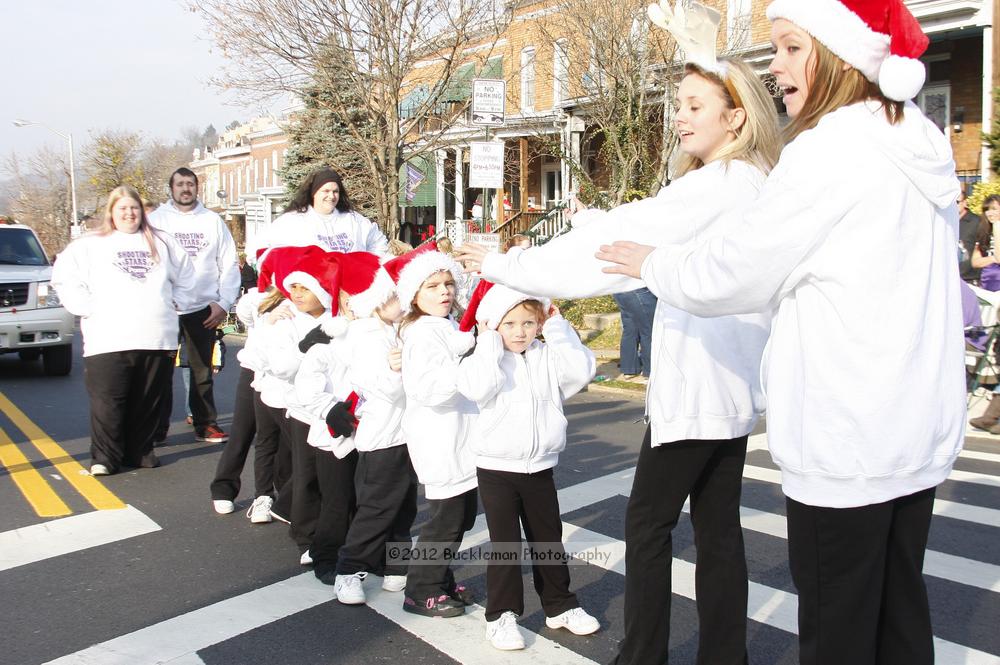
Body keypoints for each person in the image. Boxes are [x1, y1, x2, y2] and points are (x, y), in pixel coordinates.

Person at [591, 3, 963, 663]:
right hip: (913, 427)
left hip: (846, 436)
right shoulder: (920, 142)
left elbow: (734, 269)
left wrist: (653, 262)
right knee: (899, 613)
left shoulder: (830, 149)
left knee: (838, 628)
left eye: (792, 47)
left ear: (843, 54)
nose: (778, 66)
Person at [457, 53, 780, 665]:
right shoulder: (752, 183)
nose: (680, 117)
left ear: (736, 118)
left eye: (694, 106)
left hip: (698, 389)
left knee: (650, 528)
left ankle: (644, 657)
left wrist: (506, 266)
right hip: (731, 390)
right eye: (678, 104)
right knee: (718, 534)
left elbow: (610, 249)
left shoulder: (719, 184)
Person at [456, 282, 599, 650]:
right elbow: (478, 387)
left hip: (541, 465)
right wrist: (487, 340)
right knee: (505, 544)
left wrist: (557, 327)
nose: (519, 332)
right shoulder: (482, 358)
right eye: (509, 324)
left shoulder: (546, 355)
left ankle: (560, 606)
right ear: (494, 325)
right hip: (496, 468)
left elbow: (580, 371)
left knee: (548, 539)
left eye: (528, 322)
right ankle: (501, 615)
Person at [51, 185, 196, 475]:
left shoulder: (163, 242)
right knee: (109, 401)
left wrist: (177, 303)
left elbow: (188, 277)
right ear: (112, 212)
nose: (129, 213)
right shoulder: (90, 244)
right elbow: (64, 279)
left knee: (147, 400)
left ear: (141, 211)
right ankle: (105, 458)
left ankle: (140, 451)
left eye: (134, 208)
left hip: (156, 337)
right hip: (108, 338)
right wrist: (87, 307)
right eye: (123, 208)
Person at [317, 253, 417, 605]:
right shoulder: (363, 335)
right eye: (395, 295)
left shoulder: (396, 329)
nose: (403, 302)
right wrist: (398, 369)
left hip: (408, 433)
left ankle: (396, 567)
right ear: (376, 300)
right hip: (383, 435)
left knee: (404, 507)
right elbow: (384, 389)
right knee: (376, 507)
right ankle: (348, 570)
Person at [396, 242, 478, 618]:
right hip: (440, 437)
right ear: (414, 295)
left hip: (462, 434)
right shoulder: (422, 333)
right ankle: (421, 590)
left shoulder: (444, 325)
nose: (444, 291)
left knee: (462, 517)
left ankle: (440, 579)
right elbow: (429, 389)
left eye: (448, 283)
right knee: (444, 521)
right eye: (433, 286)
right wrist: (469, 370)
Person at [150, 167, 240, 444]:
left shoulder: (212, 221)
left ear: (197, 188)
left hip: (203, 307)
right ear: (171, 188)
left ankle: (205, 423)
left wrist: (223, 303)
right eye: (180, 184)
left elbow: (228, 263)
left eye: (190, 184)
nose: (185, 189)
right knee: (159, 372)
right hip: (165, 309)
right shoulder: (156, 220)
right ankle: (155, 429)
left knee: (202, 371)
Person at [254, 168, 389, 258]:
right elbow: (260, 248)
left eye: (335, 191)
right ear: (314, 193)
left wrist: (370, 267)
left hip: (349, 293)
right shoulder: (293, 221)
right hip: (311, 295)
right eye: (326, 191)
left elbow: (379, 243)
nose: (331, 196)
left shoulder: (354, 220)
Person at [612, 287, 657, 381]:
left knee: (630, 330)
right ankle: (650, 371)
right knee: (649, 331)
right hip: (640, 290)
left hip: (620, 290)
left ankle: (629, 370)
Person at [971, 194, 1000, 290]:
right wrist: (992, 258)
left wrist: (997, 225)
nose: (990, 213)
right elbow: (975, 262)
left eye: (994, 209)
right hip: (987, 284)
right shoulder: (984, 233)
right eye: (987, 210)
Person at [957, 187, 981, 283]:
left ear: (965, 203)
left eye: (957, 202)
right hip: (950, 277)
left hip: (970, 279)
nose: (954, 205)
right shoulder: (945, 223)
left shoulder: (977, 222)